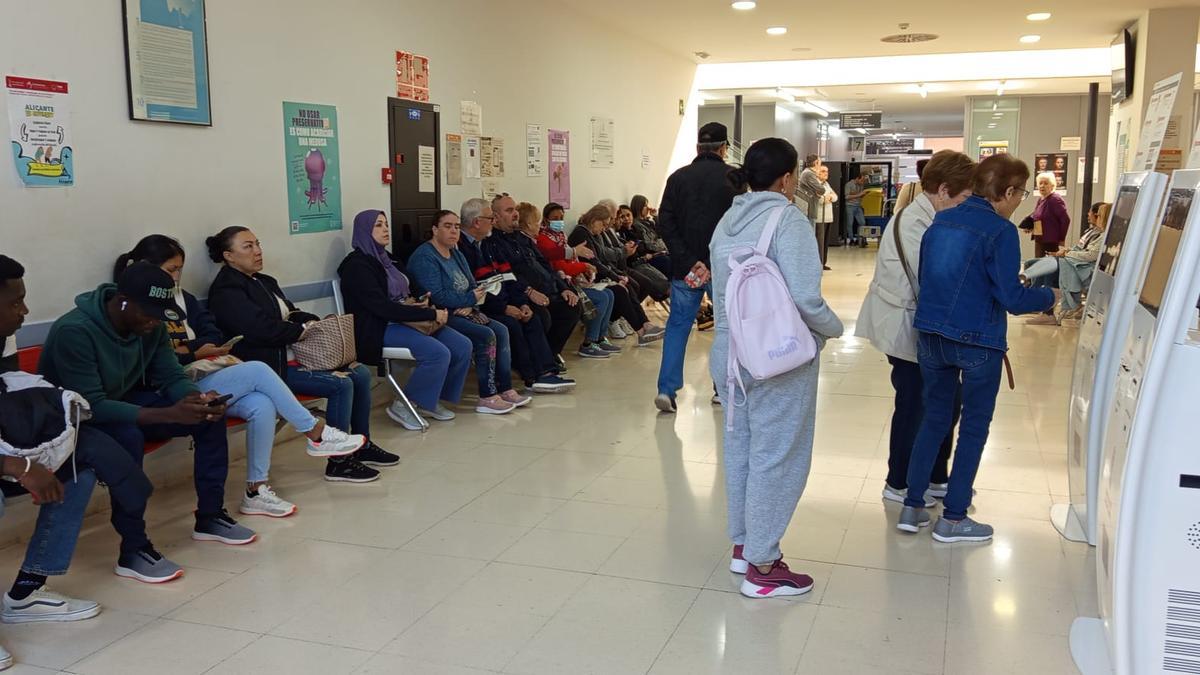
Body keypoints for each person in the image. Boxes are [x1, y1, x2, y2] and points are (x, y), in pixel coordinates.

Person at [115, 236, 366, 515]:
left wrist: (195, 347)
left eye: (179, 270)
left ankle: (255, 490)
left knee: (262, 404)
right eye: (171, 270)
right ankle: (315, 432)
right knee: (257, 369)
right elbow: (159, 362)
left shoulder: (184, 298)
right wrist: (192, 353)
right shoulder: (137, 307)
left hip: (204, 371)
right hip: (178, 382)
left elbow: (211, 330)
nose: (176, 277)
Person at [38, 262, 256, 572]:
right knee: (129, 436)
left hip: (120, 405)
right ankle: (134, 549)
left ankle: (210, 517)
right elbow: (91, 406)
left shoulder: (148, 326)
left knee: (207, 417)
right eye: (149, 313)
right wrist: (167, 413)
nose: (155, 322)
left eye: (160, 314)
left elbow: (170, 376)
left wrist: (194, 400)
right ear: (123, 300)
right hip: (73, 418)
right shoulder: (75, 331)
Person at [709, 138, 844, 598]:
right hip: (775, 353)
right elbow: (807, 298)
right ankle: (764, 568)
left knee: (742, 447)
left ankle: (745, 545)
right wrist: (832, 329)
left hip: (728, 352)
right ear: (787, 179)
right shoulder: (787, 220)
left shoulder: (727, 220)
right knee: (779, 453)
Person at [897, 154, 1056, 542]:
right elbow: (1012, 298)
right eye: (1021, 192)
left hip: (931, 336)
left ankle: (912, 505)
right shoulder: (999, 232)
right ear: (1007, 191)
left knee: (934, 419)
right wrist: (1048, 296)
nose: (1021, 200)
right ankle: (952, 518)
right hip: (977, 341)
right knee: (972, 427)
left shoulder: (940, 220)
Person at [205, 227, 395, 483]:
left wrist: (312, 321)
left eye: (258, 243)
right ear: (228, 255)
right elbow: (259, 329)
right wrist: (300, 331)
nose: (258, 251)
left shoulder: (265, 281)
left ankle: (362, 445)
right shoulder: (226, 291)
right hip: (271, 365)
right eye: (248, 247)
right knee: (340, 383)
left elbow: (291, 312)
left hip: (297, 355)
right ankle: (339, 462)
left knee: (359, 373)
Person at [855, 150, 976, 507]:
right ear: (943, 190)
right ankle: (900, 481)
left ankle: (937, 474)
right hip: (906, 327)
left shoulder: (932, 216)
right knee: (914, 404)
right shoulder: (914, 222)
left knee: (945, 402)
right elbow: (934, 276)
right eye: (964, 198)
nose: (966, 205)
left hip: (926, 327)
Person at [0, 255, 103, 664]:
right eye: (15, 302)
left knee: (76, 470)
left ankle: (26, 592)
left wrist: (42, 450)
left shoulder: (3, 337)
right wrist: (19, 467)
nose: (25, 310)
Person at [338, 210, 472, 429]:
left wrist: (423, 299)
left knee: (462, 345)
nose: (385, 229)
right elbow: (383, 308)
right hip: (380, 327)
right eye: (378, 225)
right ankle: (404, 404)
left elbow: (412, 286)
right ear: (364, 230)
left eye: (386, 224)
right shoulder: (357, 266)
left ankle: (430, 398)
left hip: (407, 319)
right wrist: (429, 314)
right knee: (437, 353)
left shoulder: (388, 258)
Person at [406, 209, 527, 413]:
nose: (454, 231)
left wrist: (470, 303)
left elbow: (473, 285)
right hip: (441, 314)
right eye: (447, 226)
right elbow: (437, 295)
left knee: (502, 329)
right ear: (435, 230)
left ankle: (504, 388)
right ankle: (487, 396)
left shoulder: (456, 252)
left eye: (456, 226)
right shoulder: (425, 257)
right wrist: (469, 299)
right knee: (486, 335)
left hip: (465, 310)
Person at [653, 121, 737, 413]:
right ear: (724, 148)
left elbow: (665, 222)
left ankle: (666, 389)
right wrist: (712, 262)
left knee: (678, 326)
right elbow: (737, 226)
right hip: (722, 269)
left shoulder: (678, 178)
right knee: (726, 328)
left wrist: (690, 261)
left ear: (698, 148)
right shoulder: (733, 178)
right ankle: (720, 388)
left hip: (685, 269)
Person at [457, 198, 574, 393]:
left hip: (504, 298)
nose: (493, 221)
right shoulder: (467, 247)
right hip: (483, 305)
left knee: (532, 316)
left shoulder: (486, 244)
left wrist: (521, 302)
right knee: (513, 324)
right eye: (490, 217)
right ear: (477, 222)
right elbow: (479, 286)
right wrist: (505, 307)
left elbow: (506, 276)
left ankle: (545, 373)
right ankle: (530, 376)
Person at [489, 196, 583, 367]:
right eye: (509, 211)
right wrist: (529, 291)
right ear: (495, 217)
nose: (515, 214)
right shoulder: (493, 243)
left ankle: (549, 354)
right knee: (542, 316)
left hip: (547, 289)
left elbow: (546, 265)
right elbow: (508, 276)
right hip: (522, 295)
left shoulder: (522, 239)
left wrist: (563, 288)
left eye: (515, 209)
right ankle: (538, 363)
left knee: (572, 307)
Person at [569, 205, 665, 346]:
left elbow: (600, 258)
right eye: (604, 224)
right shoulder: (581, 234)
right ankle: (640, 331)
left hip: (597, 273)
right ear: (595, 220)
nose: (604, 229)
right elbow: (595, 261)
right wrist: (615, 277)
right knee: (621, 290)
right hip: (587, 277)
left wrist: (616, 276)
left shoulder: (592, 234)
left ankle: (645, 325)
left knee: (628, 286)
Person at [534, 204, 620, 359]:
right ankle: (589, 343)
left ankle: (600, 338)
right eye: (555, 219)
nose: (559, 221)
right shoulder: (543, 239)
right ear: (546, 220)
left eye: (561, 218)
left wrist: (583, 267)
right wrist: (583, 266)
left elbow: (571, 262)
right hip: (562, 283)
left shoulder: (561, 237)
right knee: (602, 298)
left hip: (574, 280)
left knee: (610, 294)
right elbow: (560, 266)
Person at [1024, 202, 1109, 325]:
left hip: (1082, 267)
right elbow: (1081, 249)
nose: (1089, 215)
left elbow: (1090, 256)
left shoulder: (1103, 236)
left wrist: (1066, 254)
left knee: (1049, 269)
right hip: (1074, 261)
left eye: (1096, 214)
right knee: (1033, 263)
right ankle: (1035, 301)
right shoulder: (1092, 231)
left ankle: (1045, 310)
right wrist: (1067, 251)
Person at [1021, 171, 1070, 258]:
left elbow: (1065, 220)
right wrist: (1029, 226)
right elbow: (1037, 215)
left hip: (1051, 240)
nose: (1042, 186)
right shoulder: (1041, 199)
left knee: (1047, 267)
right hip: (1040, 239)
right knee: (1038, 264)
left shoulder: (1055, 199)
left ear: (1052, 186)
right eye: (1040, 183)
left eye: (1046, 183)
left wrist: (1061, 239)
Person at [628, 194, 671, 278]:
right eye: (645, 206)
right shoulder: (637, 224)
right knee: (667, 261)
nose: (648, 208)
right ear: (638, 207)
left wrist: (655, 217)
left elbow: (661, 233)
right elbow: (649, 244)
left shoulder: (648, 222)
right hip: (651, 254)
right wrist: (662, 248)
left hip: (660, 249)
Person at [815, 165, 838, 269]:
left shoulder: (826, 184)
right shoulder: (816, 184)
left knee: (825, 242)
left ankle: (823, 263)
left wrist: (829, 197)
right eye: (823, 171)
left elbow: (835, 197)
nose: (826, 173)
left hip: (828, 217)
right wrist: (827, 197)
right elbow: (820, 200)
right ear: (817, 173)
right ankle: (818, 263)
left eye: (827, 171)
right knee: (819, 242)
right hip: (820, 218)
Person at [843, 173, 868, 243]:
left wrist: (863, 195)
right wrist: (859, 194)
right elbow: (846, 197)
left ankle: (859, 239)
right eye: (862, 180)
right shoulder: (849, 185)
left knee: (862, 222)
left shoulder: (861, 185)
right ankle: (851, 239)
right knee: (850, 223)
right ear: (857, 178)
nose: (862, 182)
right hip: (850, 206)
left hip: (858, 206)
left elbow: (859, 195)